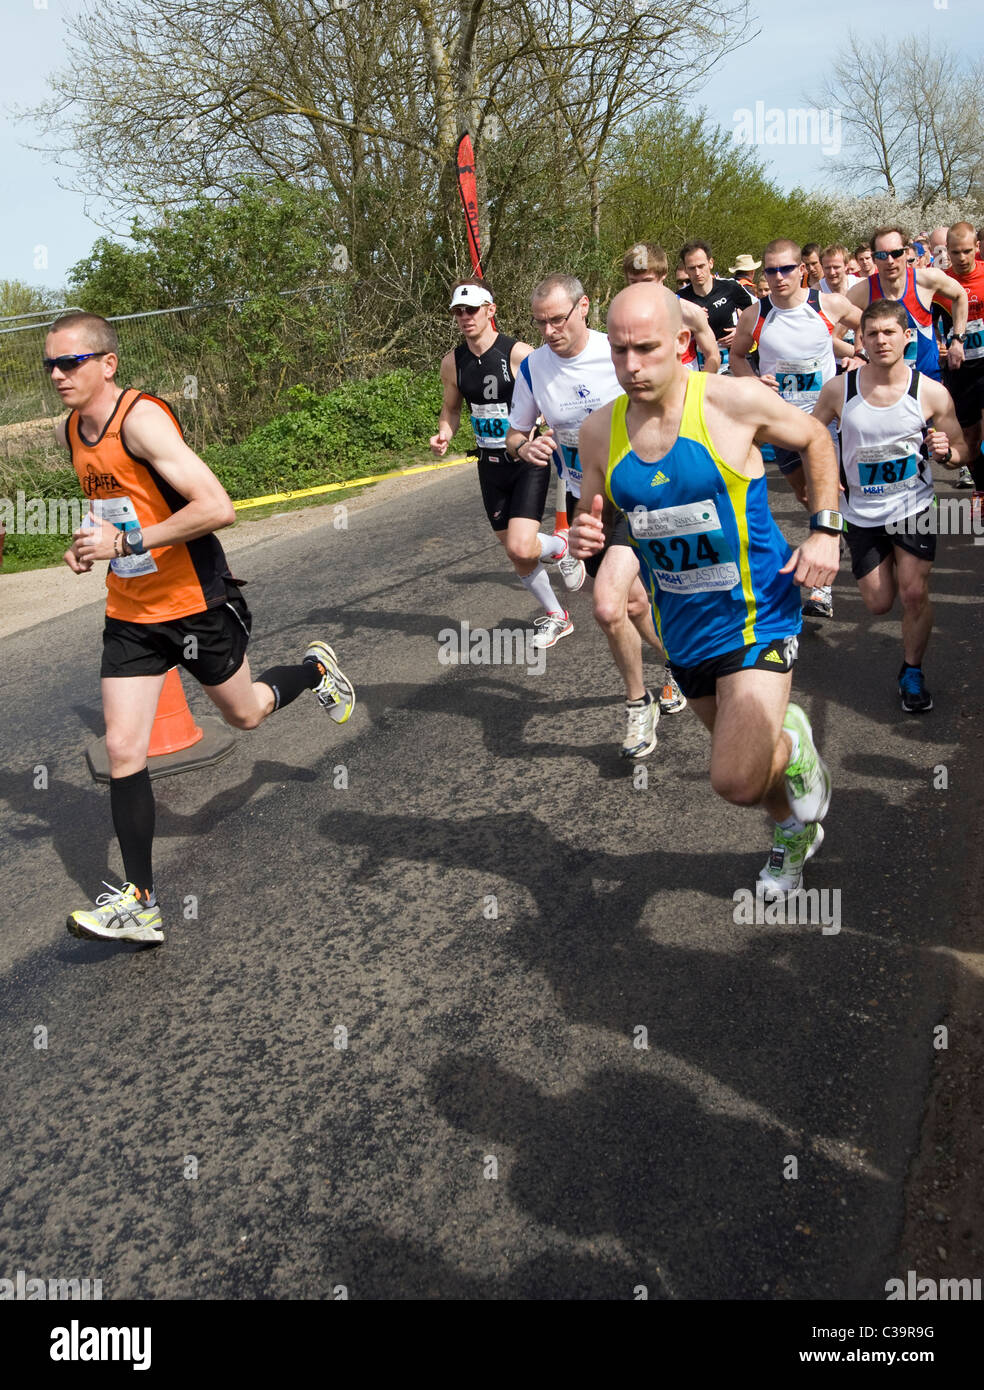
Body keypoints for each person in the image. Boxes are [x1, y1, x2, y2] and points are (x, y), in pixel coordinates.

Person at [49, 312, 355, 945]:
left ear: (107, 363)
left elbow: (218, 508)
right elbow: (116, 502)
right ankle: (139, 902)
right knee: (124, 748)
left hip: (193, 604)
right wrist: (88, 546)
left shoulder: (142, 419)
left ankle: (314, 671)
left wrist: (126, 539)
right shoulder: (70, 431)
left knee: (245, 716)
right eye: (50, 364)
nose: (58, 374)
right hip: (131, 613)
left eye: (70, 361)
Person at [569, 284, 841, 898]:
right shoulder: (596, 432)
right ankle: (792, 831)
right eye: (618, 352)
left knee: (734, 780)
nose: (631, 367)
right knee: (749, 769)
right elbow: (600, 512)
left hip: (756, 616)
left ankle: (791, 745)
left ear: (683, 344)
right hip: (684, 632)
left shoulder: (733, 402)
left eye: (646, 349)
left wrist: (826, 532)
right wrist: (587, 532)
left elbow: (817, 440)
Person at [504, 272, 685, 757]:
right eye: (539, 323)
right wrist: (528, 447)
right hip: (595, 505)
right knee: (618, 606)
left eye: (557, 320)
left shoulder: (620, 351)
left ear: (584, 307)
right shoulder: (533, 368)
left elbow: (681, 400)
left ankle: (678, 664)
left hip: (652, 495)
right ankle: (640, 700)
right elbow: (514, 433)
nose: (548, 332)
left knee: (638, 602)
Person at [812, 299, 967, 712]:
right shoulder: (838, 390)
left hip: (912, 505)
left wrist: (946, 452)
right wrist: (828, 476)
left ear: (906, 337)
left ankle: (912, 670)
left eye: (889, 332)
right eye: (872, 333)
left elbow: (962, 450)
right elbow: (812, 438)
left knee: (914, 592)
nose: (881, 340)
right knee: (879, 602)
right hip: (861, 512)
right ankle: (894, 568)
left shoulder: (930, 392)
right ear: (861, 338)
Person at [429, 280, 574, 628]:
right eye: (458, 312)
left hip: (526, 457)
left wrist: (544, 419)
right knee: (515, 550)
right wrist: (445, 433)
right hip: (488, 463)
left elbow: (551, 392)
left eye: (472, 310)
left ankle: (558, 547)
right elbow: (451, 409)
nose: (465, 317)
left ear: (490, 310)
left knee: (521, 547)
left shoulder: (519, 353)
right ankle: (557, 612)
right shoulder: (453, 362)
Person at [730, 239, 861, 619]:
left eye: (786, 269)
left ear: (802, 269)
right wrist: (753, 381)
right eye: (771, 271)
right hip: (783, 425)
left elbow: (869, 324)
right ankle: (841, 530)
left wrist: (859, 358)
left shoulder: (826, 305)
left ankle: (822, 586)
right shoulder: (755, 315)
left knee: (829, 493)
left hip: (826, 423)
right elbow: (738, 356)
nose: (779, 277)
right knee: (807, 495)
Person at [846, 227, 968, 384]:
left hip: (926, 381)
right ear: (875, 259)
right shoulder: (861, 291)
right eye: (882, 255)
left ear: (906, 253)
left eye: (896, 254)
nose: (890, 261)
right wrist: (859, 354)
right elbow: (834, 331)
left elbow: (960, 295)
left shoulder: (927, 280)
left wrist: (957, 340)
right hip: (884, 385)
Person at [938, 223, 984, 499]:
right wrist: (940, 345)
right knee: (970, 439)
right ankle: (981, 489)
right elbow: (927, 323)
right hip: (960, 369)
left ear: (977, 248)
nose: (962, 258)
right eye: (955, 252)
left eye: (967, 251)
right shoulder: (941, 283)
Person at [624, 243, 720, 374]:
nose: (641, 288)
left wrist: (699, 390)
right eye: (634, 282)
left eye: (647, 281)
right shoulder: (622, 315)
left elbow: (713, 356)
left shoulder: (688, 312)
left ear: (663, 275)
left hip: (683, 387)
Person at [677, 241, 755, 370]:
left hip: (731, 365)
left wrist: (740, 332)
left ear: (711, 263)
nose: (697, 273)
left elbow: (756, 315)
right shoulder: (681, 298)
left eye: (701, 266)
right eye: (691, 268)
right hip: (698, 366)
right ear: (685, 269)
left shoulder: (730, 287)